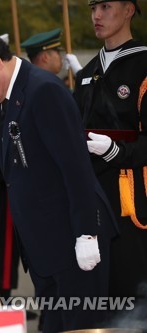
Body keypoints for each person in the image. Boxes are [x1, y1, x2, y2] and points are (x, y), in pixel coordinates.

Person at [0, 27, 118, 332]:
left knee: (81, 326)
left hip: (73, 240)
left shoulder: (43, 90)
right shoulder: (1, 97)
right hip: (42, 246)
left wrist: (87, 234)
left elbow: (75, 168)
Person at [73, 0, 147, 309]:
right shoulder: (87, 73)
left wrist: (117, 150)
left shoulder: (143, 64)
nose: (96, 16)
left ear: (129, 9)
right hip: (94, 199)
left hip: (135, 199)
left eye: (105, 6)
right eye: (92, 8)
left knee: (135, 297)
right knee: (103, 301)